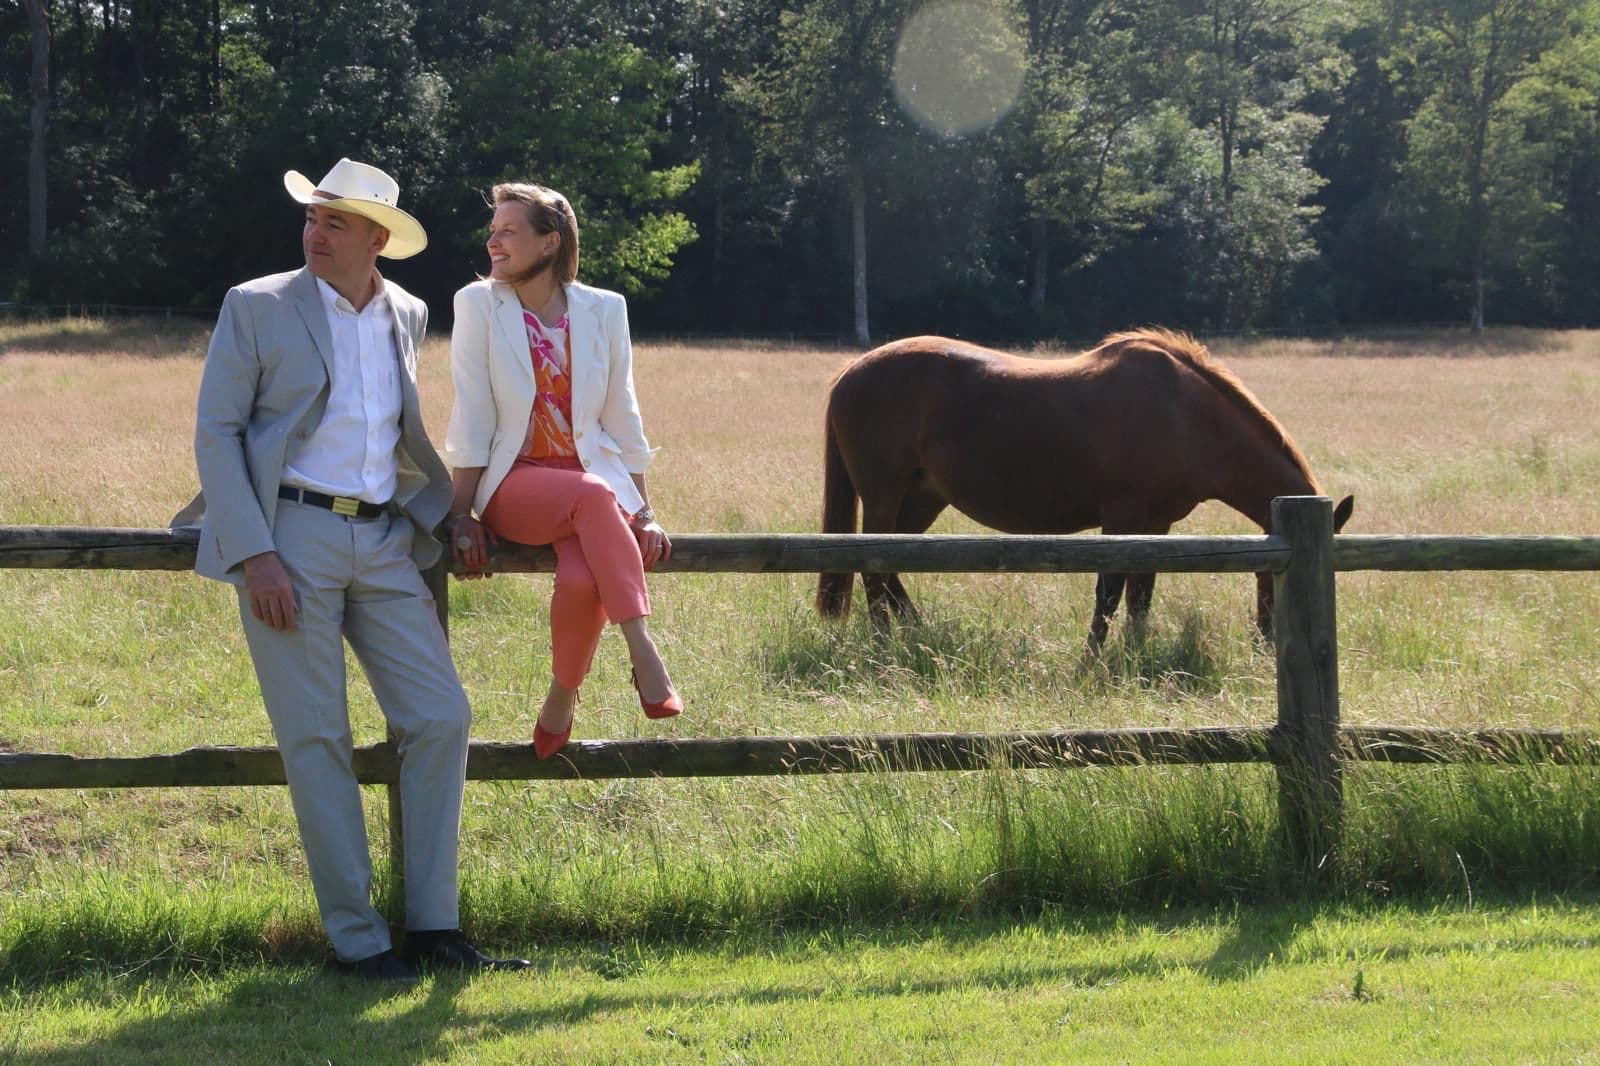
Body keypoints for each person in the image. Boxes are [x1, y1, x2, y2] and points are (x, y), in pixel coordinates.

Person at [182, 158, 529, 980]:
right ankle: (358, 941)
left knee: (441, 716)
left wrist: (450, 509)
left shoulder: (406, 312)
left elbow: (398, 438)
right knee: (317, 739)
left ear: (378, 238)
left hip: (382, 542)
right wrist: (255, 553)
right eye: (311, 218)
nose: (315, 233)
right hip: (288, 540)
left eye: (335, 222)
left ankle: (434, 928)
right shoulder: (256, 304)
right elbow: (216, 432)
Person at [444, 182, 680, 761]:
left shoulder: (605, 309)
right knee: (592, 496)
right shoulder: (477, 304)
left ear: (550, 243)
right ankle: (644, 652)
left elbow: (622, 413)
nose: (493, 241)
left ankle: (560, 698)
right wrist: (460, 513)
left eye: (508, 231)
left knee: (581, 578)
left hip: (591, 487)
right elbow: (473, 410)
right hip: (516, 483)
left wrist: (645, 512)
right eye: (493, 230)